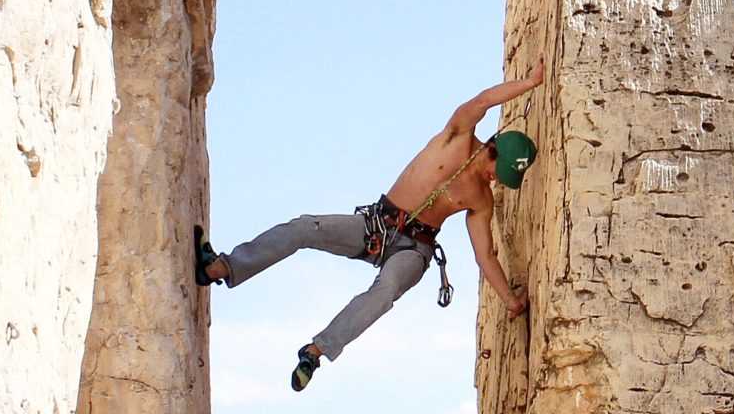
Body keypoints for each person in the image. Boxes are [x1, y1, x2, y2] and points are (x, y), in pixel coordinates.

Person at [197, 61, 547, 390]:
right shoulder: (456, 136)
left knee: (385, 291)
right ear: (493, 150)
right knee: (304, 228)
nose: (496, 181)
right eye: (498, 172)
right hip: (378, 224)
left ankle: (315, 352)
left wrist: (510, 300)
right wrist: (529, 84)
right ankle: (222, 267)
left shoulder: (481, 199)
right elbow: (485, 100)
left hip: (415, 249)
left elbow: (485, 256)